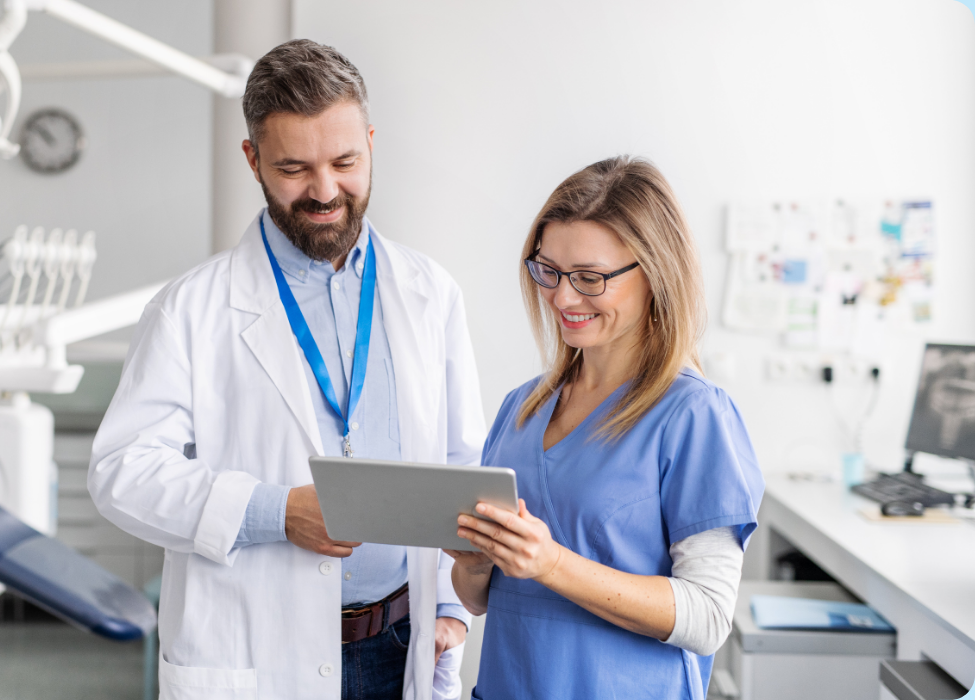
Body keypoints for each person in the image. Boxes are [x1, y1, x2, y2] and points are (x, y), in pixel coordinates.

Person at [89, 40, 483, 700]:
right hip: (259, 653)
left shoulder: (428, 291)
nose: (325, 191)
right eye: (295, 168)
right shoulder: (191, 307)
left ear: (371, 143)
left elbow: (459, 459)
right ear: (253, 160)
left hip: (401, 642)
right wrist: (273, 512)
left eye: (345, 162)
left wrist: (447, 605)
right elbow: (122, 472)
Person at [447, 157, 765, 699]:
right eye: (549, 271)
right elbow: (480, 599)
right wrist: (476, 565)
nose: (563, 298)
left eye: (589, 278)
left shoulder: (693, 415)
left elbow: (708, 615)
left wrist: (551, 563)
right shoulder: (519, 409)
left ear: (655, 272)